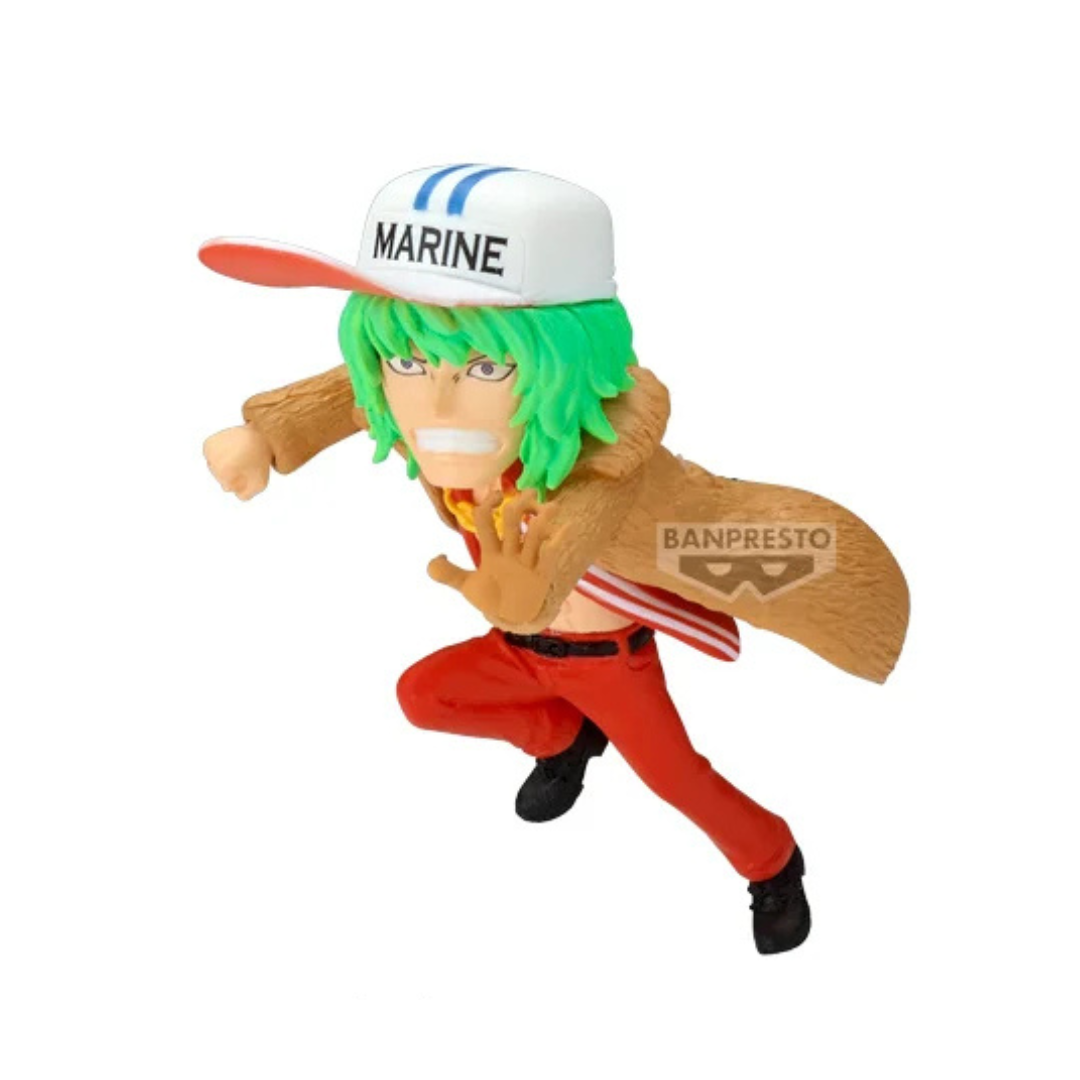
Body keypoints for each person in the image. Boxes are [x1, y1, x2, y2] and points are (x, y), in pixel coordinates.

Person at [201, 164, 909, 953]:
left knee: (676, 779)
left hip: (607, 663)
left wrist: (530, 587)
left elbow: (575, 530)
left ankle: (772, 861)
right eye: (408, 363)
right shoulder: (412, 400)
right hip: (518, 652)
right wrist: (265, 434)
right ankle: (561, 738)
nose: (434, 401)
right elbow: (355, 388)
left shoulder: (603, 462)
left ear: (565, 363)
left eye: (487, 368)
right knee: (424, 696)